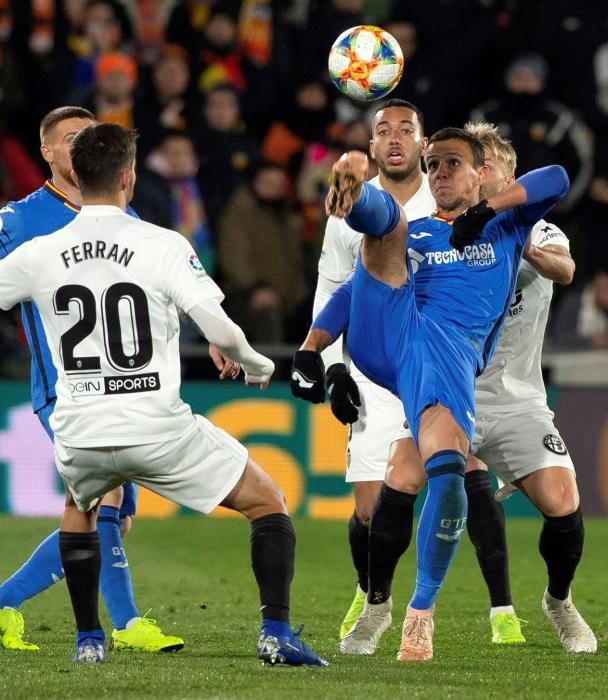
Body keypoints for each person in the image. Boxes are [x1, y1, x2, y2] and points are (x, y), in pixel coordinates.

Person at [0, 122, 328, 668]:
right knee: (267, 500)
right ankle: (275, 634)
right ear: (129, 176)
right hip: (157, 429)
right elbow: (222, 333)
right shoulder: (162, 243)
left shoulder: (40, 251)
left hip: (78, 429)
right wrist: (256, 362)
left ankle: (89, 640)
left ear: (77, 175)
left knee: (79, 510)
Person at [291, 127, 569, 660]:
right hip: (390, 334)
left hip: (446, 355)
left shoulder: (508, 226)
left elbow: (555, 178)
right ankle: (357, 195)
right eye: (433, 164)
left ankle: (411, 613)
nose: (439, 173)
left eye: (452, 164)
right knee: (388, 230)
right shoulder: (418, 231)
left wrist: (484, 213)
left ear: (480, 173)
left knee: (429, 468)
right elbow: (351, 290)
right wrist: (311, 349)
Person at [0, 106, 183, 653]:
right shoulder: (19, 219)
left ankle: (5, 602)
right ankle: (125, 625)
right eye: (71, 138)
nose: (82, 145)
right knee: (105, 497)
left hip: (124, 385)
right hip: (65, 386)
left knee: (111, 519)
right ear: (49, 154)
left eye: (89, 137)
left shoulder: (118, 215)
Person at [311, 99, 434, 641]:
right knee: (368, 509)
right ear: (370, 149)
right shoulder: (349, 210)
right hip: (373, 367)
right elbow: (334, 285)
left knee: (450, 487)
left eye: (406, 130)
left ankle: (438, 608)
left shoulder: (447, 199)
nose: (394, 138)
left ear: (424, 145)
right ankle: (371, 596)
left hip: (436, 367)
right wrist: (330, 366)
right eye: (383, 130)